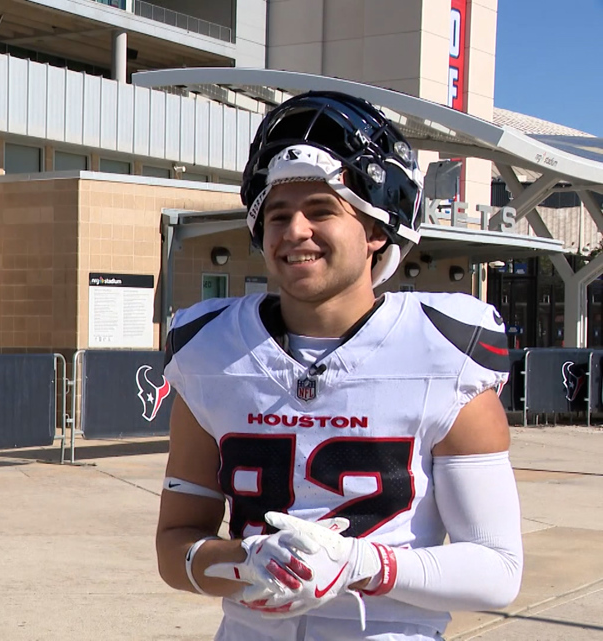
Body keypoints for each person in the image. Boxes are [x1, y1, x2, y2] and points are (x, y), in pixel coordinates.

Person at [155, 91, 523, 641]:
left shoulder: (444, 352)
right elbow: (176, 544)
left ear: (378, 229)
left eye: (322, 210)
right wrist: (245, 561)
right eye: (277, 215)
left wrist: (364, 565)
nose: (295, 230)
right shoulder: (212, 352)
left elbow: (498, 571)